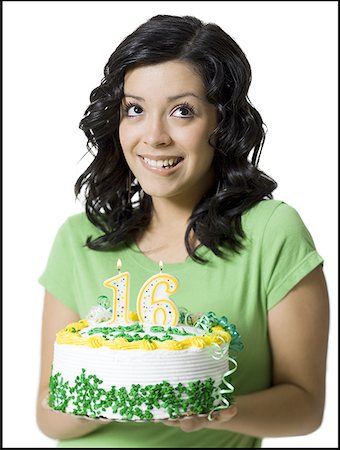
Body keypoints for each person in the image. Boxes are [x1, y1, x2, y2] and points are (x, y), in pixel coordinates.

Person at [36, 14, 329, 448]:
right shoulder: (79, 239)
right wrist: (110, 392)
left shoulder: (272, 233)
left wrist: (215, 411)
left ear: (221, 123)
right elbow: (47, 417)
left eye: (182, 111)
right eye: (135, 109)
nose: (154, 136)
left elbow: (305, 407)